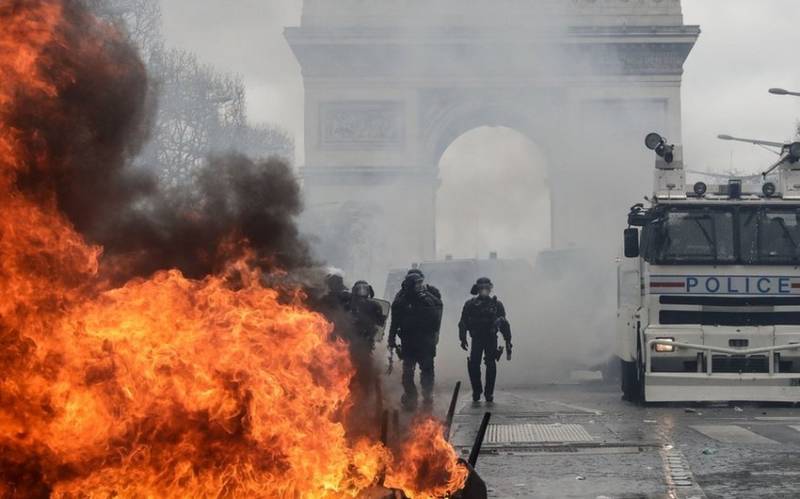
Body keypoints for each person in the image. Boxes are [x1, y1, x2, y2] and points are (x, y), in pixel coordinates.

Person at [388, 270, 443, 411]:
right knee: (407, 372)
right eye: (417, 284)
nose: (420, 286)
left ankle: (427, 396)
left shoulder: (429, 297)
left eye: (420, 283)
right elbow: (394, 322)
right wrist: (391, 339)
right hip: (408, 342)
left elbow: (437, 313)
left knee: (427, 370)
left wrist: (435, 333)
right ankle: (411, 396)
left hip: (426, 342)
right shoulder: (401, 300)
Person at [459, 277, 512, 404]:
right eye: (481, 288)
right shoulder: (470, 304)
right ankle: (477, 391)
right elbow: (463, 322)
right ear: (477, 289)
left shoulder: (496, 304)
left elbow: (504, 323)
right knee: (474, 365)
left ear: (490, 289)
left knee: (491, 365)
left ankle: (489, 393)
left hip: (491, 338)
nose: (484, 290)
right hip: (477, 338)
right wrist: (462, 337)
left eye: (486, 288)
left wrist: (508, 341)